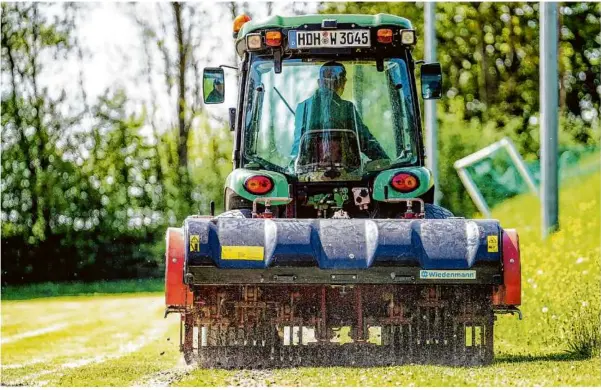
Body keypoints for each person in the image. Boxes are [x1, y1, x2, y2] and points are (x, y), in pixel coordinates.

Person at [290, 61, 387, 162]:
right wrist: (385, 160)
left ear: (319, 82)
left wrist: (293, 165)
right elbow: (365, 141)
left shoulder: (302, 107)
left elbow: (297, 148)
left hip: (308, 172)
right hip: (344, 171)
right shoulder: (346, 107)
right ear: (343, 83)